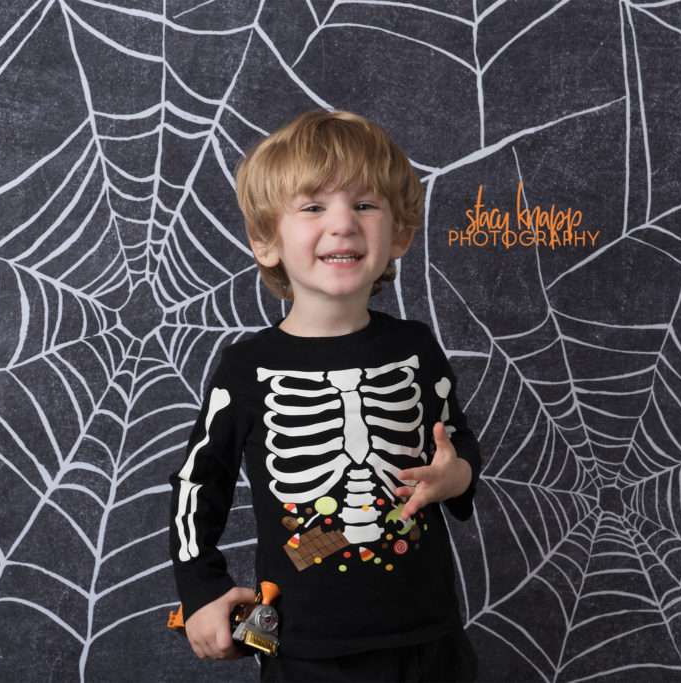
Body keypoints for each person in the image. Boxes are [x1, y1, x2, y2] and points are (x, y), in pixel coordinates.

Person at [167, 109, 481, 682]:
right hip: (296, 644)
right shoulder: (247, 367)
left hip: (429, 632)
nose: (343, 224)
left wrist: (453, 475)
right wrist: (201, 591)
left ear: (400, 235)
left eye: (365, 205)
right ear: (266, 242)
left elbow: (458, 445)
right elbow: (196, 483)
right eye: (313, 207)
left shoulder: (416, 348)